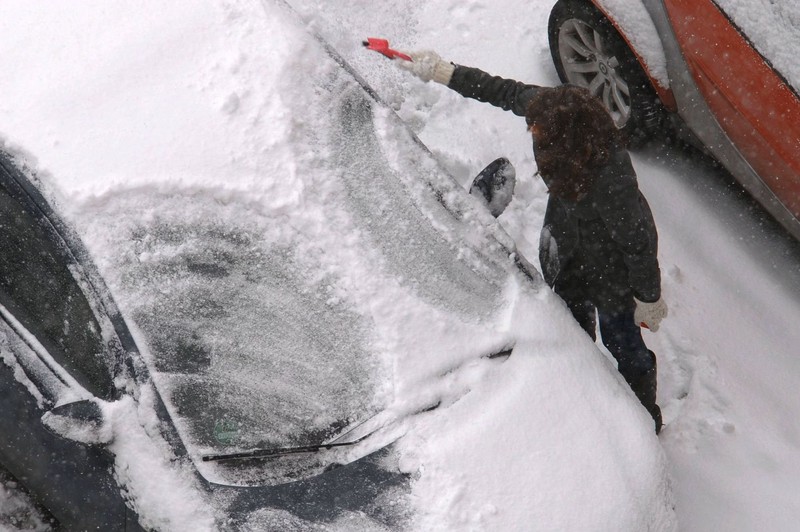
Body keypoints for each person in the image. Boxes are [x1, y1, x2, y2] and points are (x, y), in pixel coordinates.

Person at [393, 50, 668, 433]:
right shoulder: (553, 111)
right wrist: (443, 72)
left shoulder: (611, 177)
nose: (533, 133)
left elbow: (636, 241)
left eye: (540, 135)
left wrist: (649, 298)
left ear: (568, 144)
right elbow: (500, 91)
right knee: (571, 322)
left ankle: (643, 415)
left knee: (623, 341)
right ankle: (580, 377)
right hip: (569, 242)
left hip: (612, 268)